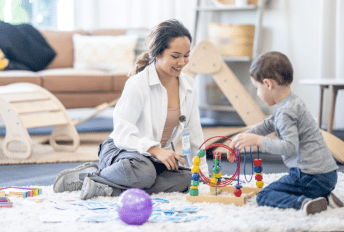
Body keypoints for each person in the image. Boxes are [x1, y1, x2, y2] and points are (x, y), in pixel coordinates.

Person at [53, 19, 209, 199]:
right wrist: (157, 151)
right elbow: (122, 133)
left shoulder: (188, 85)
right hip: (121, 150)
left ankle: (108, 187)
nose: (182, 62)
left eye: (186, 55)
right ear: (157, 53)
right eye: (175, 56)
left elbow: (195, 133)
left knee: (188, 178)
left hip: (151, 158)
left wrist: (203, 175)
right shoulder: (138, 84)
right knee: (145, 172)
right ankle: (89, 176)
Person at [229, 51, 343, 215]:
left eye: (257, 88)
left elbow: (289, 147)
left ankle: (303, 202)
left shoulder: (285, 113)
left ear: (268, 84)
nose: (258, 93)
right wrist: (243, 137)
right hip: (328, 175)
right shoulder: (292, 101)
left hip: (310, 176)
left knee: (264, 195)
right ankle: (325, 197)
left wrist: (258, 141)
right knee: (287, 185)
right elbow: (269, 124)